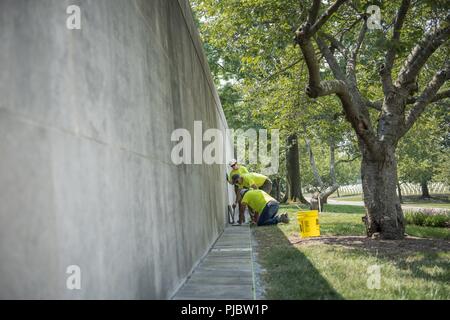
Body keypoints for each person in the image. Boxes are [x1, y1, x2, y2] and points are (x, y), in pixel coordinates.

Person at [227, 159, 249, 224]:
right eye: (231, 166)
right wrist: (228, 179)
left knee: (247, 201)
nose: (233, 167)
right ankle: (241, 219)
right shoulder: (232, 173)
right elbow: (232, 183)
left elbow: (248, 176)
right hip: (237, 187)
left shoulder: (243, 169)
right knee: (240, 202)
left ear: (236, 163)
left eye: (234, 165)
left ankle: (253, 218)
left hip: (245, 186)